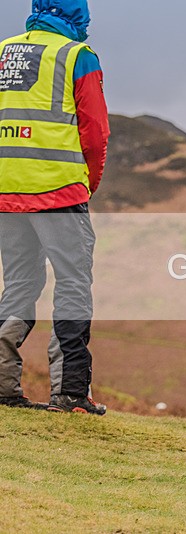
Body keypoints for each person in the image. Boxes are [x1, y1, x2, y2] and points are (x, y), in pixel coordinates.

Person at [0, 0, 109, 414]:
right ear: (77, 15)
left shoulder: (3, 50)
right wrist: (88, 184)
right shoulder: (77, 56)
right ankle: (70, 393)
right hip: (59, 191)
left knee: (19, 285)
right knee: (73, 285)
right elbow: (95, 132)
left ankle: (3, 387)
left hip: (6, 191)